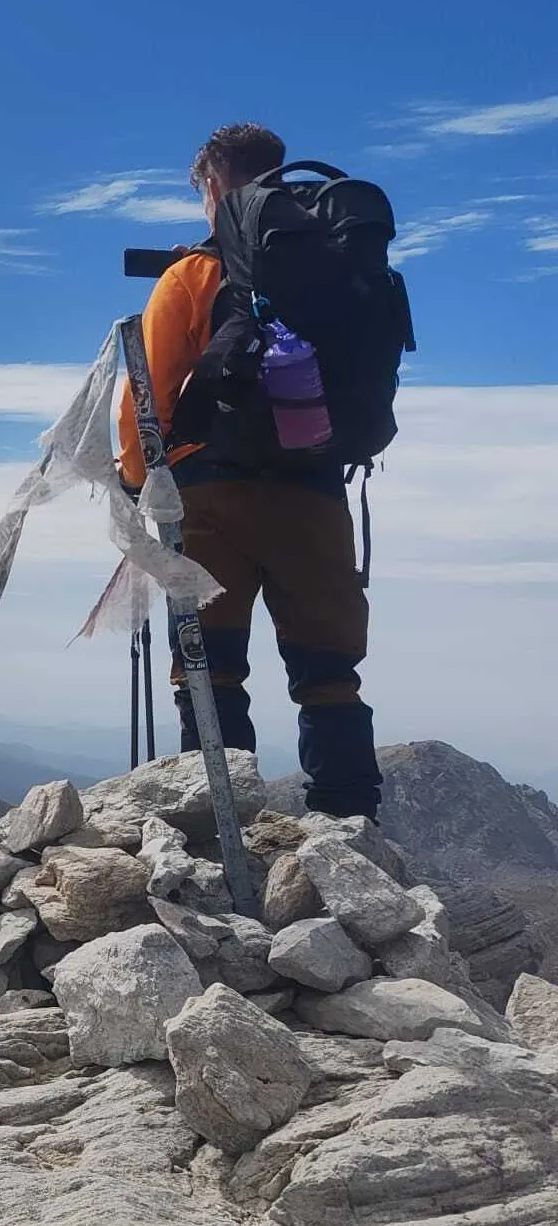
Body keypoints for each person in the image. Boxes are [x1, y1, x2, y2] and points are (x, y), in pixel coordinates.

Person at [117, 122, 382, 820]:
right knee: (328, 669)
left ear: (211, 183)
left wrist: (135, 480)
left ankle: (220, 820)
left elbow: (146, 394)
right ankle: (347, 825)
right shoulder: (339, 266)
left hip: (212, 500)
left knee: (210, 668)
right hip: (318, 490)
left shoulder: (193, 276)